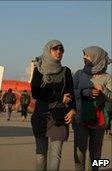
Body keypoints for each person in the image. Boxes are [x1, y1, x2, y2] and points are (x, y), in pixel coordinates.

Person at [31, 40, 76, 171]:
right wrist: (59, 97)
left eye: (61, 49)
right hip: (41, 116)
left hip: (59, 117)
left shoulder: (66, 71)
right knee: (40, 155)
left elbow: (71, 92)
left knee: (55, 155)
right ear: (48, 50)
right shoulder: (39, 70)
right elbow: (36, 93)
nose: (59, 52)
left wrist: (73, 109)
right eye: (55, 49)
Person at [72, 46, 112, 171]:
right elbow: (72, 92)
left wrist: (103, 90)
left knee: (96, 155)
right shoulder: (79, 74)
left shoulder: (107, 77)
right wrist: (86, 92)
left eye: (88, 56)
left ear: (97, 58)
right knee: (79, 153)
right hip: (80, 119)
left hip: (98, 121)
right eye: (84, 55)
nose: (84, 58)